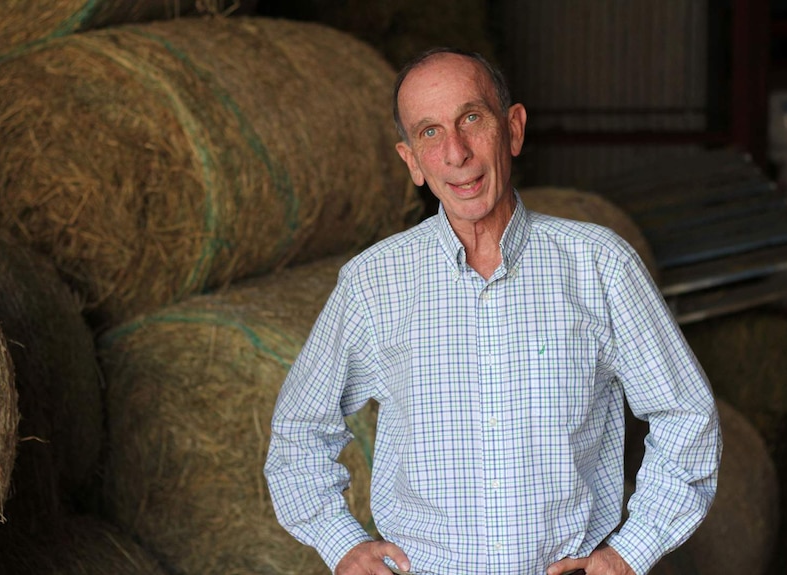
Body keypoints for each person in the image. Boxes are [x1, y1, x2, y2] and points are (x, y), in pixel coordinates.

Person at [264, 47, 721, 575]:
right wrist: (341, 542)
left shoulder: (600, 266)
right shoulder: (373, 283)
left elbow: (687, 417)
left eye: (471, 119)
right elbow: (298, 433)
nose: (455, 152)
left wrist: (629, 553)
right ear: (410, 160)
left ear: (514, 129)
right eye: (429, 133)